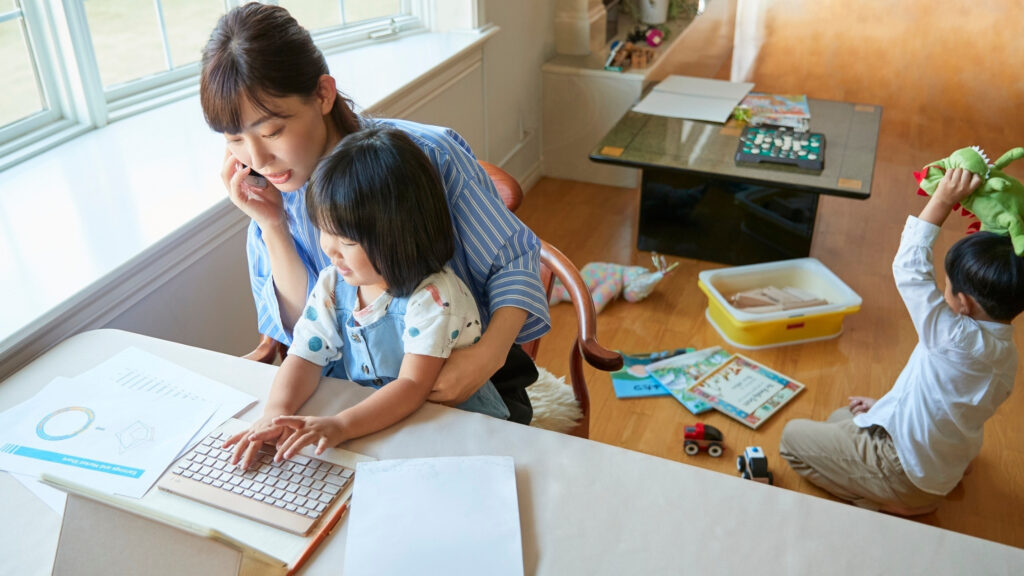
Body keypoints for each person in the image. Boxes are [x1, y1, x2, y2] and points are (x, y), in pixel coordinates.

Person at [199, 3, 548, 425]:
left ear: (323, 94)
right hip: (351, 393)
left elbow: (515, 259)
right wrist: (272, 225)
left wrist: (485, 358)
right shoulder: (268, 198)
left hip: (465, 382)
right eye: (235, 140)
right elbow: (303, 333)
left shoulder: (429, 155)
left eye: (273, 131)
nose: (259, 159)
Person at [225, 127, 510, 466]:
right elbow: (303, 356)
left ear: (399, 236)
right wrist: (274, 413)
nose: (329, 250)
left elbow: (412, 386)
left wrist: (340, 425)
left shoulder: (433, 296)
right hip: (379, 420)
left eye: (346, 241)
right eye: (324, 231)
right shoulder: (334, 284)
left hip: (453, 426)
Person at [779, 168, 1023, 516]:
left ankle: (896, 501)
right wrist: (885, 406)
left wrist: (942, 200)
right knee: (843, 417)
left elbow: (910, 267)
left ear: (964, 304)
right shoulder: (1006, 353)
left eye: (947, 287)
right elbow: (944, 400)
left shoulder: (951, 334)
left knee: (792, 438)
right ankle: (933, 479)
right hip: (942, 456)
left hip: (904, 470)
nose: (943, 293)